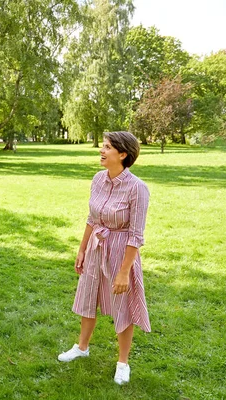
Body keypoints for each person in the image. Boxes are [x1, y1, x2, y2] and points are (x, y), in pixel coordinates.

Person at [58, 131, 151, 386]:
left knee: (123, 307)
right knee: (87, 297)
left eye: (107, 147)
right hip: (95, 248)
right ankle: (82, 347)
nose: (102, 150)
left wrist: (124, 271)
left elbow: (136, 235)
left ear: (123, 154)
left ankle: (123, 363)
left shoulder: (138, 188)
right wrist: (81, 249)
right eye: (103, 146)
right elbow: (92, 218)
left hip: (121, 252)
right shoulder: (98, 179)